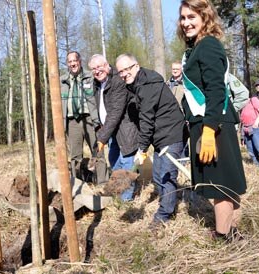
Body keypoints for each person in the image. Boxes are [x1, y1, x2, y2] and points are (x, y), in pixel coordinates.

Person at [177, 0, 247, 240]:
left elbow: (216, 90)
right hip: (209, 122)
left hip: (214, 124)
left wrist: (208, 130)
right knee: (223, 181)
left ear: (205, 17)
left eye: (192, 17)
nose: (186, 23)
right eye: (183, 17)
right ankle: (231, 232)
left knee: (220, 182)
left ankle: (222, 236)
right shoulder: (196, 47)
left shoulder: (207, 46)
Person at [115, 53, 185, 225]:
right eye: (120, 72)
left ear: (136, 66)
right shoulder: (136, 85)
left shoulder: (148, 85)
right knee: (157, 174)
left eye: (127, 69)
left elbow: (146, 119)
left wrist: (142, 149)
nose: (124, 74)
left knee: (166, 175)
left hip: (172, 133)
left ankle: (163, 217)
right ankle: (167, 205)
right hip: (161, 136)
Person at [88, 54, 139, 201]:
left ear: (107, 65)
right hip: (110, 129)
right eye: (93, 69)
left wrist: (101, 138)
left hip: (125, 127)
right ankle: (118, 194)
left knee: (125, 162)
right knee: (114, 160)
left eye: (99, 67)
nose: (97, 71)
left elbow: (116, 112)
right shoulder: (97, 83)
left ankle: (126, 200)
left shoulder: (117, 80)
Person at [60, 51, 108, 183]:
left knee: (98, 152)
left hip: (90, 119)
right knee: (75, 156)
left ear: (80, 61)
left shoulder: (90, 77)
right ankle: (77, 185)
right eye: (69, 62)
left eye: (74, 61)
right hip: (72, 122)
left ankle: (102, 183)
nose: (72, 64)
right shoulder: (62, 81)